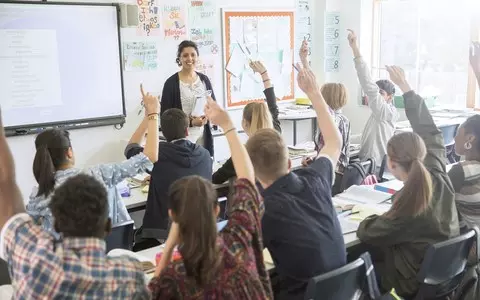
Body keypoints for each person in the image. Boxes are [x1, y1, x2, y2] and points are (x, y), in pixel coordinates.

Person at [0, 109, 150, 298]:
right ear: (107, 226)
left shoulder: (35, 274)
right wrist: (151, 115)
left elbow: (5, 187)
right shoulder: (129, 276)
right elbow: (146, 157)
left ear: (56, 224)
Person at [148, 98, 273, 299]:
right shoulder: (239, 241)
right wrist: (228, 126)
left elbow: (153, 291)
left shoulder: (175, 276)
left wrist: (170, 246)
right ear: (217, 209)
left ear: (173, 217)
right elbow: (247, 180)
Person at [357, 66, 460, 297]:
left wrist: (371, 217)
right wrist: (406, 87)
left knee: (358, 258)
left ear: (391, 164)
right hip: (441, 279)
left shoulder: (408, 204)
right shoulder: (439, 174)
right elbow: (430, 131)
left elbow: (368, 232)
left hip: (408, 283)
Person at [246, 63, 346, 299]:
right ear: (290, 163)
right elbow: (334, 142)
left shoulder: (263, 210)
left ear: (255, 174)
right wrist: (314, 92)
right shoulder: (316, 179)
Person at [26, 89, 160, 238]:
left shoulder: (39, 194)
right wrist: (153, 114)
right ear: (69, 152)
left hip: (62, 258)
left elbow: (26, 231)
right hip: (106, 253)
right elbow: (149, 157)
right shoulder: (99, 174)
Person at [125, 86, 212, 241]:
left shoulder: (158, 155)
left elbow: (130, 148)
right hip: (199, 229)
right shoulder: (205, 155)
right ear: (187, 131)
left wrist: (149, 117)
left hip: (164, 233)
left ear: (163, 134)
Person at [212, 60, 281, 184]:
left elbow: (216, 179)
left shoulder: (243, 153)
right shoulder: (276, 136)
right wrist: (264, 74)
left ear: (245, 123)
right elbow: (273, 106)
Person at [348, 30, 399, 165]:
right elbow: (369, 136)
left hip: (373, 166)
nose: (375, 97)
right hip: (374, 162)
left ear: (390, 97)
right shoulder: (382, 113)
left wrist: (355, 49)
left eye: (380, 93)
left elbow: (366, 81)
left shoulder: (383, 111)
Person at [300, 40, 351, 176]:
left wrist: (304, 61)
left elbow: (313, 88)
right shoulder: (344, 119)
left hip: (330, 173)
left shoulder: (332, 119)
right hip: (338, 171)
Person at [160, 40, 216, 156]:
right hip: (182, 139)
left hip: (203, 134)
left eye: (193, 55)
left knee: (204, 168)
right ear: (179, 59)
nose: (189, 59)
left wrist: (208, 116)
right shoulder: (171, 83)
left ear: (197, 57)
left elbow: (213, 106)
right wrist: (191, 122)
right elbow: (165, 118)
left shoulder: (204, 80)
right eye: (185, 55)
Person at [448, 43, 480, 230]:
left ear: (470, 139)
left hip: (470, 249)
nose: (454, 139)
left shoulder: (461, 171)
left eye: (458, 133)